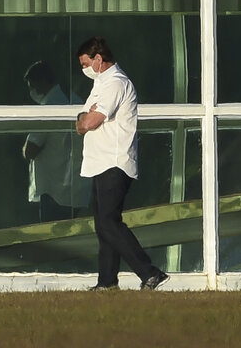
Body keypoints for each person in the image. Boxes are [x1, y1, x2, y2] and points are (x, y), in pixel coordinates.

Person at [75, 36, 169, 291]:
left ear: (98, 58)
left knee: (108, 222)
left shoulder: (115, 83)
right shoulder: (101, 84)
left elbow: (90, 122)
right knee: (104, 224)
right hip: (100, 162)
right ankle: (107, 281)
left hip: (113, 162)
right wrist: (84, 119)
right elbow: (80, 122)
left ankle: (149, 272)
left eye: (85, 63)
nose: (84, 69)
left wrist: (85, 119)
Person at [22, 61, 89, 222]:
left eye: (33, 86)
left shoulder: (48, 108)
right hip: (78, 190)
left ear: (43, 82)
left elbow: (30, 150)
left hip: (53, 193)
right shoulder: (76, 101)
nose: (32, 91)